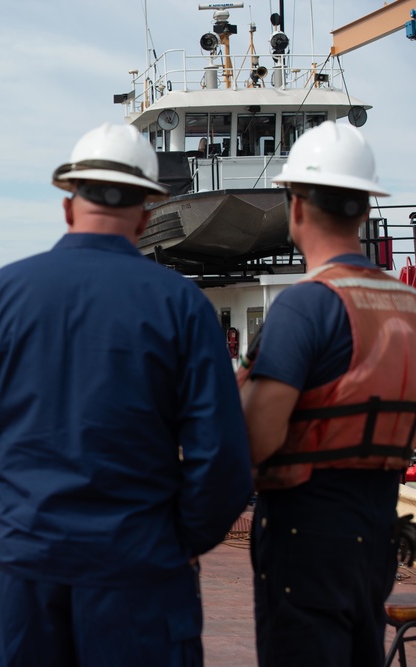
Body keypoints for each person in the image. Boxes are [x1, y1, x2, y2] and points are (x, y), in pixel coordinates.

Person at [0, 123, 253, 665]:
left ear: (69, 205)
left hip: (23, 574)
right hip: (142, 577)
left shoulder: (0, 295)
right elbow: (225, 463)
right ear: (146, 214)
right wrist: (172, 543)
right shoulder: (182, 307)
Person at [239, 121, 416, 667]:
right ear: (365, 210)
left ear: (294, 206)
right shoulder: (407, 308)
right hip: (377, 536)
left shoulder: (305, 306)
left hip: (304, 538)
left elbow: (258, 439)